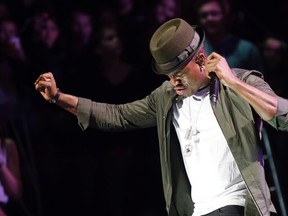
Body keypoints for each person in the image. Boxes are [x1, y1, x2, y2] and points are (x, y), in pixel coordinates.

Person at [34, 17, 288, 216]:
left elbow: (282, 115)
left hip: (239, 205)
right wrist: (58, 97)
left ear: (200, 59)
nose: (173, 82)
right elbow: (118, 116)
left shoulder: (239, 83)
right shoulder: (167, 97)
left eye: (178, 73)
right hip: (198, 210)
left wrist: (231, 80)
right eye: (167, 76)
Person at [193, 0, 264, 72]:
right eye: (204, 15)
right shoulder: (196, 49)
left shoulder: (247, 49)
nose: (209, 19)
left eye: (214, 13)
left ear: (225, 16)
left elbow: (258, 81)